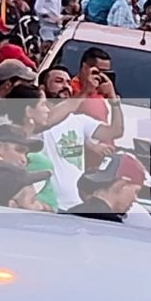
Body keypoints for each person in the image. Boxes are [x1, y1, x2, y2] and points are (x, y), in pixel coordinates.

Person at [38, 66, 124, 209]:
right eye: (59, 81)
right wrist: (85, 91)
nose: (65, 86)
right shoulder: (37, 118)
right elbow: (50, 119)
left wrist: (113, 99)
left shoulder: (79, 120)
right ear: (42, 88)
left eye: (68, 82)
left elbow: (115, 131)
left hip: (76, 205)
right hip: (46, 206)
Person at [66, 153, 145, 223]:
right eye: (136, 191)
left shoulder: (69, 214)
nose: (135, 199)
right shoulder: (113, 228)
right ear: (121, 185)